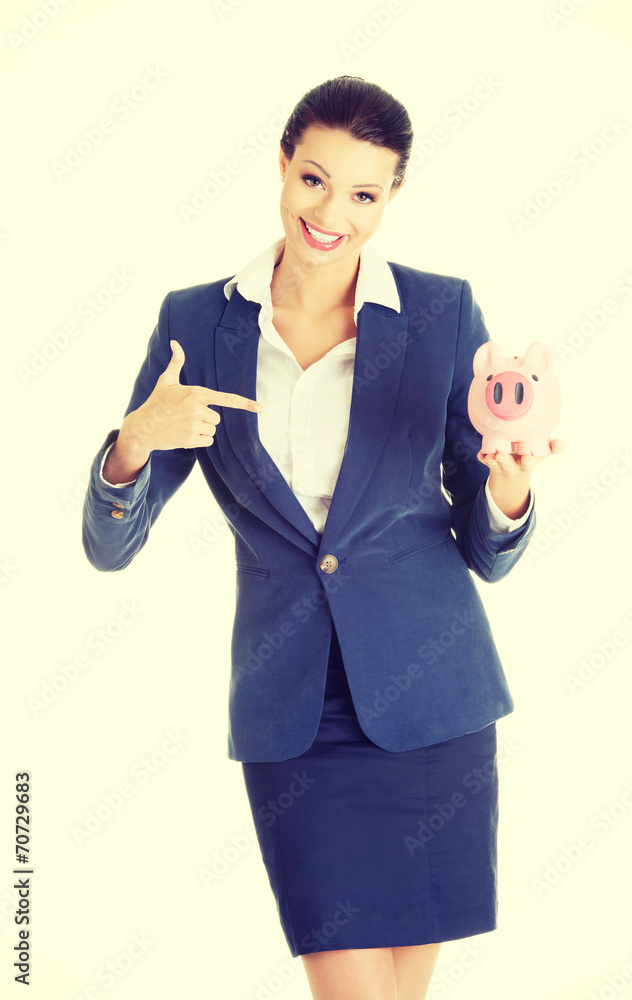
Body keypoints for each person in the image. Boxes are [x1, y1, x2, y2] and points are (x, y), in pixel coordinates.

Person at [82, 75, 563, 1000]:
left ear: (390, 199)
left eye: (362, 194)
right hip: (292, 714)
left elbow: (486, 543)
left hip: (434, 703)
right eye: (313, 179)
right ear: (281, 165)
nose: (330, 212)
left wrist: (507, 494)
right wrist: (133, 443)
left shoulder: (440, 314)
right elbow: (111, 547)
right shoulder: (195, 323)